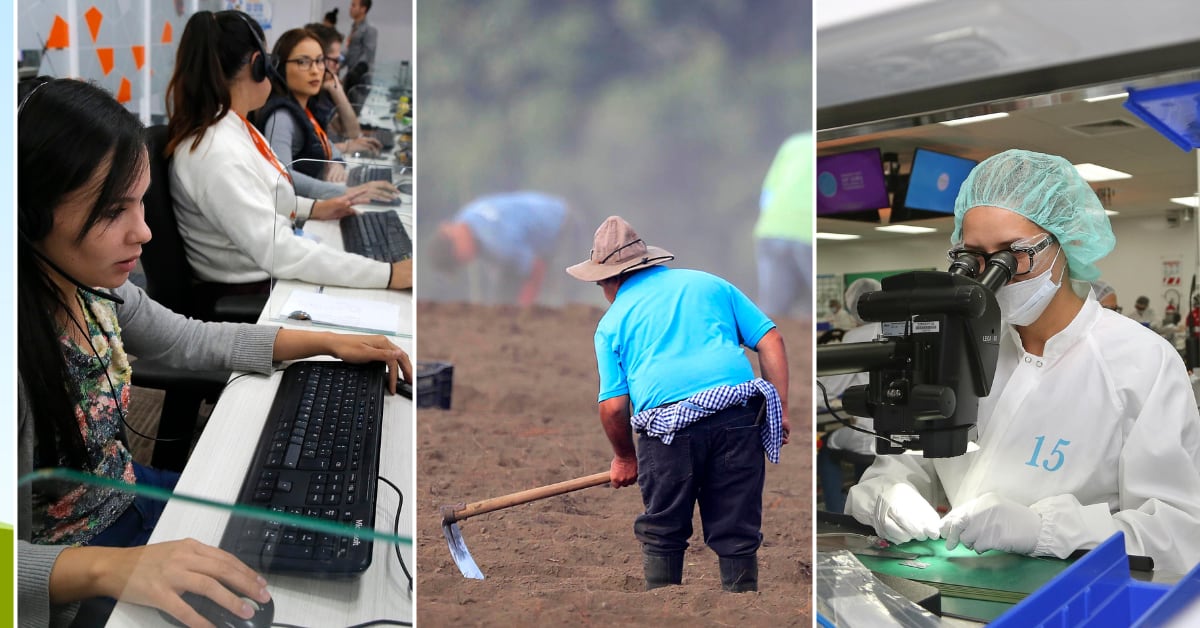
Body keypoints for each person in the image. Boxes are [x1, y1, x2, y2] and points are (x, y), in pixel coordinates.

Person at [17, 77, 413, 627]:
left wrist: (323, 340)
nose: (144, 232)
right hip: (68, 575)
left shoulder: (91, 289)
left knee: (283, 537)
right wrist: (112, 569)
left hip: (123, 492)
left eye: (140, 202)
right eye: (112, 211)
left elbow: (185, 339)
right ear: (29, 214)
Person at [845, 149, 1200, 574]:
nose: (996, 276)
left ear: (1065, 244)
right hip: (958, 584)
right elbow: (908, 459)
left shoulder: (1141, 362)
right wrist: (888, 490)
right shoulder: (955, 345)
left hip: (1075, 593)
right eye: (974, 258)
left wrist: (1044, 530)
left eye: (1014, 255)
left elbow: (1177, 532)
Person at [566, 216, 791, 592]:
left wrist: (625, 458)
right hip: (738, 417)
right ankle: (741, 603)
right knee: (736, 525)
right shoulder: (710, 284)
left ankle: (664, 604)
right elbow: (771, 340)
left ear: (610, 280)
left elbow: (614, 407)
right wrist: (778, 409)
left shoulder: (611, 323)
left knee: (664, 527)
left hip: (668, 431)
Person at [166, 10, 411, 293]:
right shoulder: (214, 152)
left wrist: (317, 208)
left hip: (267, 269)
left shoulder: (235, 127)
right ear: (258, 65)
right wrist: (389, 274)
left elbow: (265, 194)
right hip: (254, 292)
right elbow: (278, 250)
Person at [255, 27, 395, 202]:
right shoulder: (282, 117)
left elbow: (326, 144)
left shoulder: (304, 107)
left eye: (319, 61)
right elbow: (283, 175)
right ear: (280, 67)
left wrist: (335, 161)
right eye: (303, 62)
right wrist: (349, 192)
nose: (315, 70)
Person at [429, 192, 582, 306]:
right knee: (502, 303)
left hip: (564, 229)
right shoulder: (463, 219)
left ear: (456, 244)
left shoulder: (497, 241)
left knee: (566, 299)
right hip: (537, 240)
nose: (465, 262)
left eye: (459, 260)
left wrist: (525, 311)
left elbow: (536, 268)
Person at [816, 278, 882, 513]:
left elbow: (831, 388)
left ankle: (836, 511)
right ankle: (861, 504)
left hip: (868, 430)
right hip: (899, 431)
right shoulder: (899, 330)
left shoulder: (855, 337)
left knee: (826, 449)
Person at [754, 133, 813, 319]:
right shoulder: (832, 145)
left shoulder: (793, 144)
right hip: (808, 231)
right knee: (823, 300)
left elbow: (766, 196)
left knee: (772, 311)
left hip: (772, 227)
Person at [303, 22, 382, 155]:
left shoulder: (324, 92)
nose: (338, 66)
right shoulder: (302, 97)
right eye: (335, 60)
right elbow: (306, 153)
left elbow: (352, 132)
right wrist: (346, 147)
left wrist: (337, 90)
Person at [342, 0, 377, 95]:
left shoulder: (369, 29)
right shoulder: (354, 27)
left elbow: (368, 54)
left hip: (360, 79)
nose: (350, 8)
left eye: (353, 5)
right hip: (350, 76)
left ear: (363, 9)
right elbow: (349, 50)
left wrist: (354, 73)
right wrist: (338, 63)